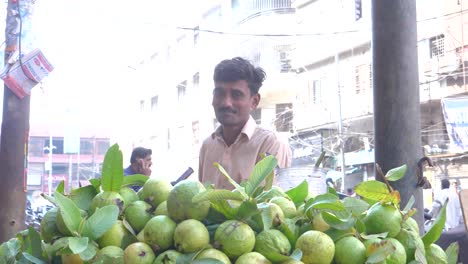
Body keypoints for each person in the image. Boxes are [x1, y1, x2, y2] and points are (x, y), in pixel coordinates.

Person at [198, 57, 292, 189]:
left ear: (254, 101)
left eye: (236, 95)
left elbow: (274, 204)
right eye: (219, 93)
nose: (226, 103)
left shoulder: (271, 144)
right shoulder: (207, 146)